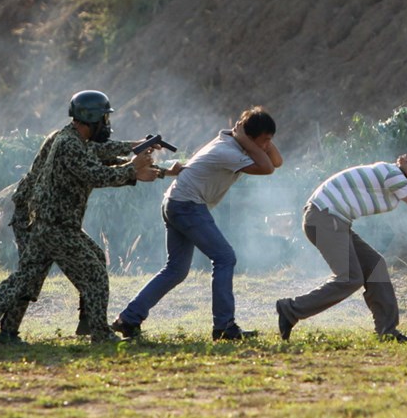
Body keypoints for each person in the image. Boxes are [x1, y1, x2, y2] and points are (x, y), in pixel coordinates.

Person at [0, 90, 168, 344]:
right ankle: (99, 332)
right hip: (54, 225)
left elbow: (100, 153)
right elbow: (95, 174)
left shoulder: (71, 138)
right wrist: (132, 170)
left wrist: (141, 155)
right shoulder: (69, 144)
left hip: (46, 221)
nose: (107, 125)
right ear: (92, 118)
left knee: (28, 276)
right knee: (92, 272)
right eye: (104, 119)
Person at [111, 106, 282, 341]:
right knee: (225, 257)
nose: (266, 146)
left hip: (177, 202)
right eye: (264, 141)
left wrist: (253, 140)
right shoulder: (227, 149)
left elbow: (276, 161)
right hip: (186, 205)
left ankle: (128, 319)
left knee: (176, 270)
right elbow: (267, 167)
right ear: (249, 138)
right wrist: (247, 140)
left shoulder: (235, 143)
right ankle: (224, 327)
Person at [275, 153, 407, 343]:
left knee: (375, 266)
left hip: (332, 219)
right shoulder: (395, 175)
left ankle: (387, 330)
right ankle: (290, 309)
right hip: (325, 218)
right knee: (350, 277)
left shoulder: (392, 175)